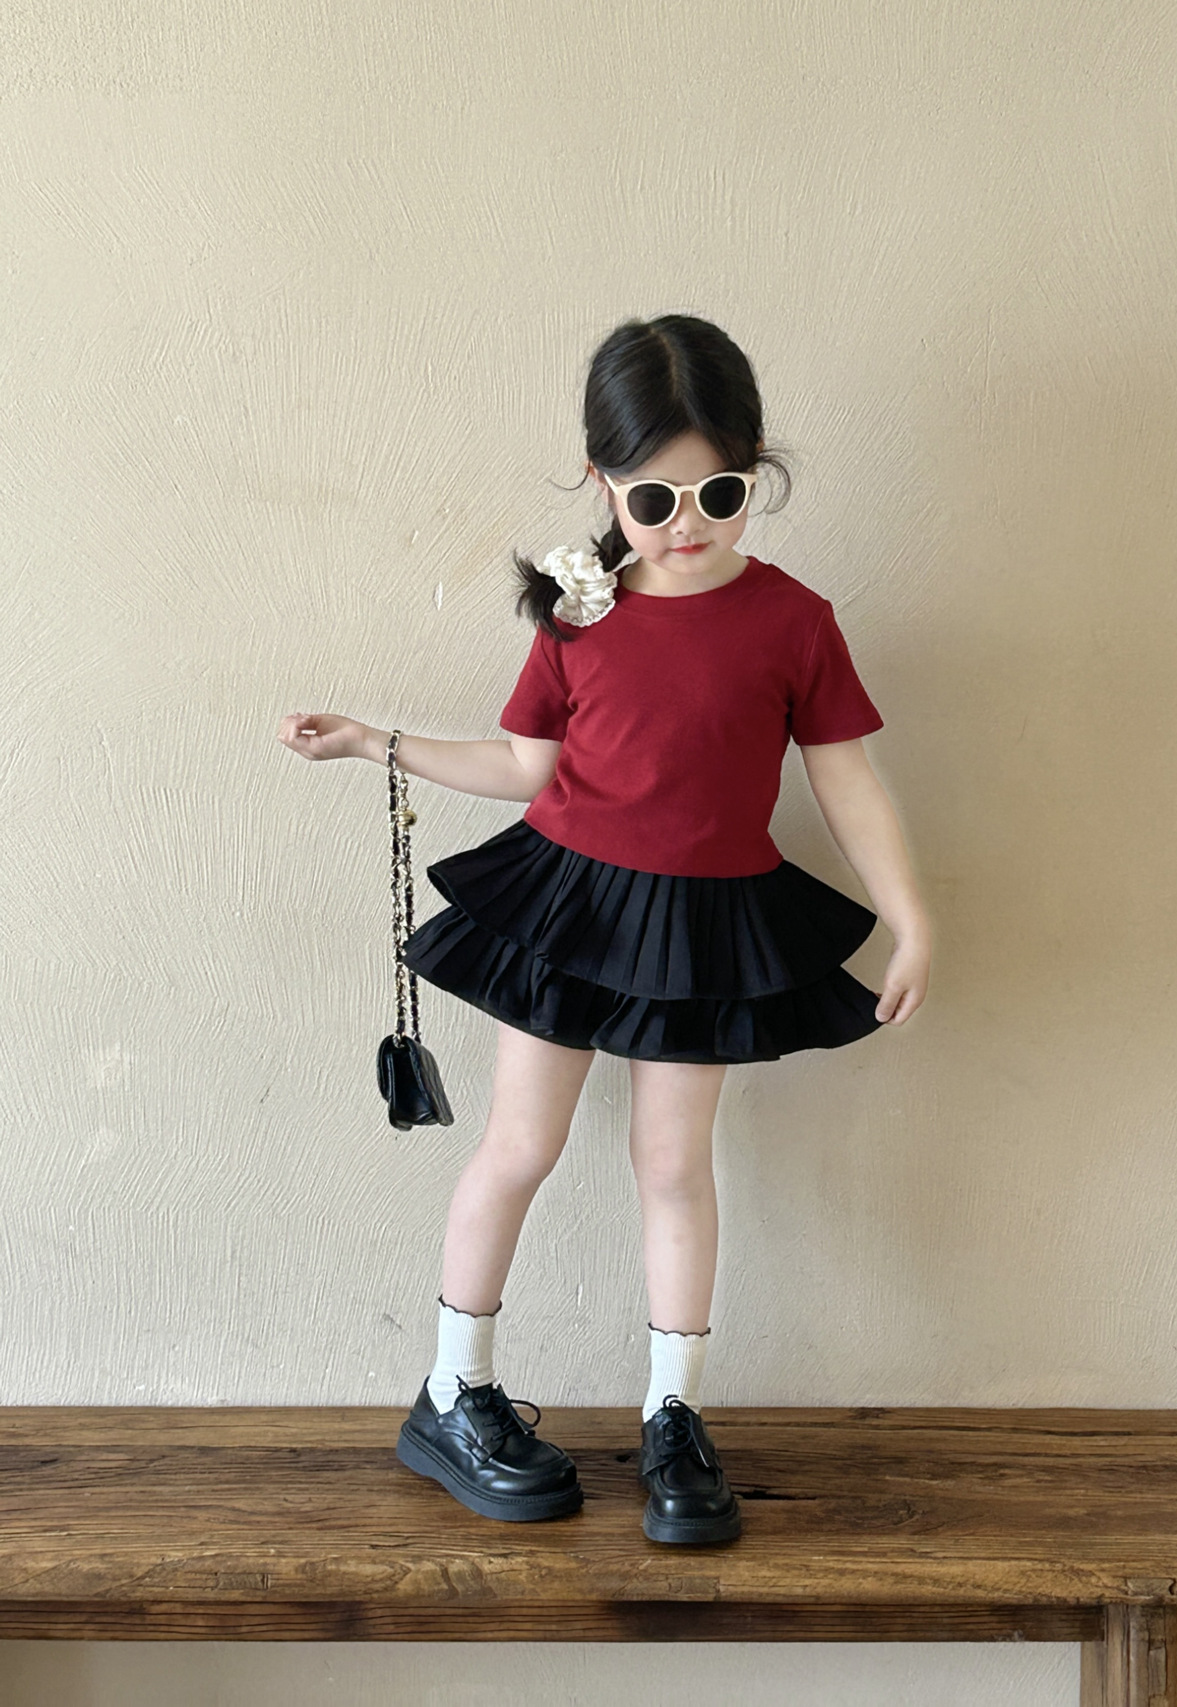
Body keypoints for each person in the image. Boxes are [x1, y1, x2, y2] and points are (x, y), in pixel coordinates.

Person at [276, 313, 931, 1545]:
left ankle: (673, 1416)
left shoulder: (793, 620)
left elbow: (844, 777)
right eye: (653, 500)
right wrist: (375, 741)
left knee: (674, 1166)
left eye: (719, 494)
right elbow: (525, 764)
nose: (686, 525)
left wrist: (908, 919)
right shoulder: (579, 614)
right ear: (601, 482)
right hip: (569, 909)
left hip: (707, 922)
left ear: (755, 473)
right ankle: (452, 1392)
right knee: (519, 1146)